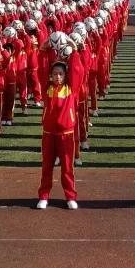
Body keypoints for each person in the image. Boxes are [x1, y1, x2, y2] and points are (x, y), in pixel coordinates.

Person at [37, 50, 83, 210]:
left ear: (65, 76)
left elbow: (78, 71)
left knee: (67, 168)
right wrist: (44, 50)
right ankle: (44, 196)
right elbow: (41, 69)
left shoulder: (71, 90)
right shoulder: (47, 89)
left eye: (61, 74)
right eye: (55, 74)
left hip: (66, 134)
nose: (57, 77)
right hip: (49, 133)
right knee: (47, 166)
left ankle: (70, 196)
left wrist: (74, 52)